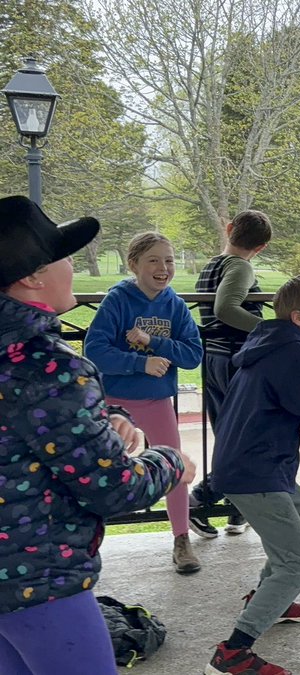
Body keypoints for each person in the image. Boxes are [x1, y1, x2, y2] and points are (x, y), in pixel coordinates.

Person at [0, 195, 194, 675]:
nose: (73, 266)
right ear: (31, 277)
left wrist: (102, 413)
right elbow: (114, 488)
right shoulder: (50, 366)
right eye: (64, 257)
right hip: (37, 579)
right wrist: (170, 461)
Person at [205, 275, 300, 675]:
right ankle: (233, 654)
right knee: (298, 563)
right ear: (298, 316)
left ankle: (271, 600)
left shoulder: (269, 345)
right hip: (256, 471)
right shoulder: (292, 354)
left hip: (255, 464)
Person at [83, 232, 203, 574]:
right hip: (113, 404)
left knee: (176, 469)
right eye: (153, 260)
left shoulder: (175, 305)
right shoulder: (117, 300)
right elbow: (95, 351)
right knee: (99, 472)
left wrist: (155, 343)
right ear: (133, 264)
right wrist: (141, 363)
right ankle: (86, 544)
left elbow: (194, 354)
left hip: (157, 401)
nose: (163, 268)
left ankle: (182, 540)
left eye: (169, 260)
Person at [189, 210, 273, 537]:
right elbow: (226, 309)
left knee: (229, 435)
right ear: (262, 247)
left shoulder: (212, 265)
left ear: (229, 229)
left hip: (214, 358)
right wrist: (269, 328)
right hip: (234, 360)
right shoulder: (239, 266)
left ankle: (238, 511)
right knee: (245, 437)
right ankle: (200, 499)